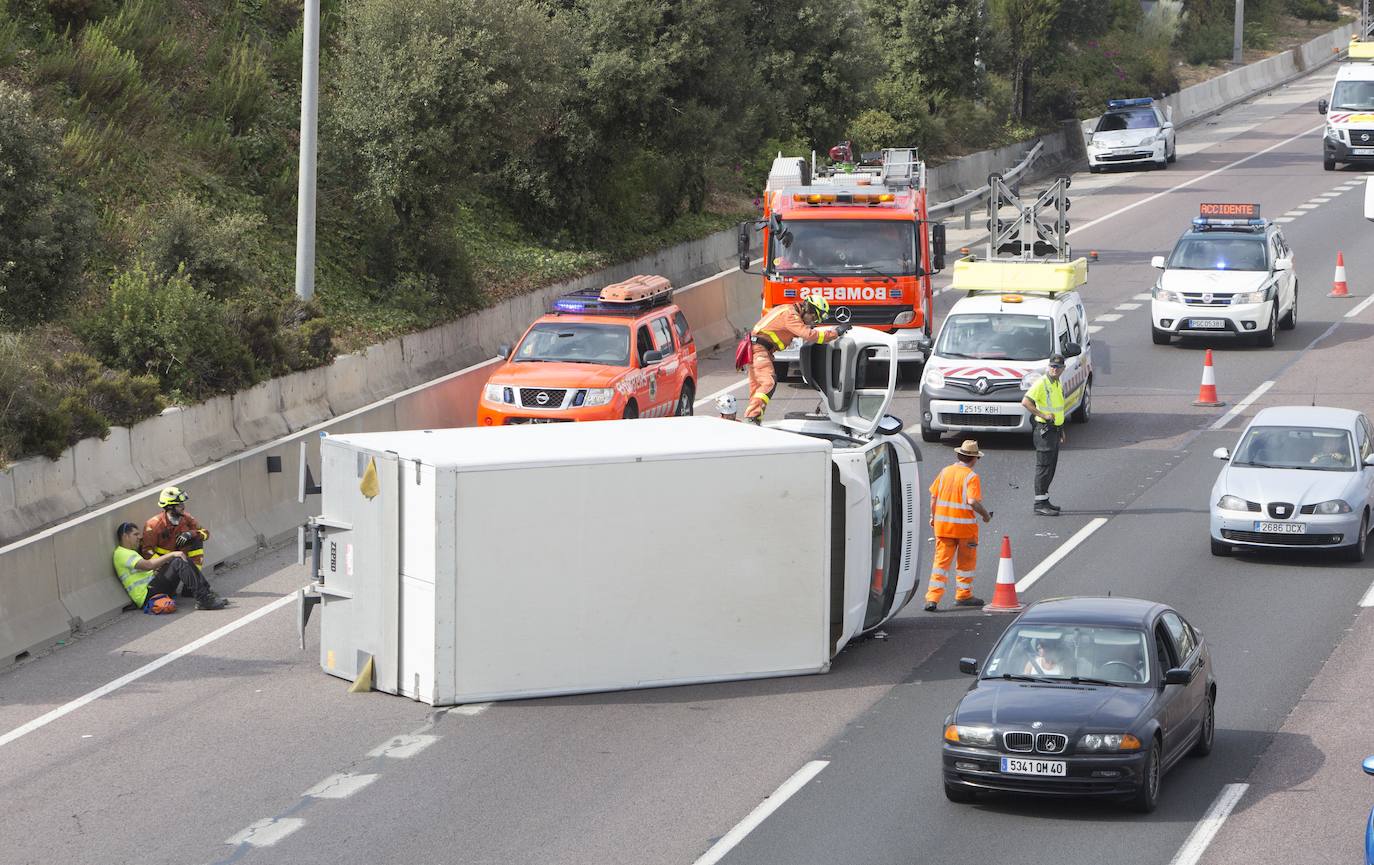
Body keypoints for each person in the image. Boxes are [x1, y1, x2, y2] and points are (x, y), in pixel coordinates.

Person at [744, 295, 848, 424]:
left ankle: (753, 419)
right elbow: (809, 335)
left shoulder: (789, 311)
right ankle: (752, 418)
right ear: (808, 309)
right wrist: (835, 333)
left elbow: (803, 330)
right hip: (759, 350)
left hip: (758, 349)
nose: (812, 322)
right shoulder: (791, 315)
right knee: (768, 383)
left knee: (758, 387)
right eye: (814, 318)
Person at [924, 440, 993, 612]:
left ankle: (932, 598)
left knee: (941, 563)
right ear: (974, 458)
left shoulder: (945, 471)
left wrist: (933, 516)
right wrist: (985, 515)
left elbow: (933, 497)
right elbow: (972, 501)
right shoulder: (971, 476)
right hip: (965, 530)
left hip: (943, 527)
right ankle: (963, 595)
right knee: (966, 564)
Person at [113, 521, 227, 612]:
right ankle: (204, 599)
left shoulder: (130, 552)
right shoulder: (121, 553)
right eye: (135, 534)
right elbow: (148, 565)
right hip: (147, 595)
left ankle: (206, 594)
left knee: (181, 558)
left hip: (153, 587)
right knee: (177, 560)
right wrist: (171, 554)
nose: (139, 537)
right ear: (125, 536)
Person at [142, 486, 226, 606]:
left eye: (183, 504)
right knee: (177, 560)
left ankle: (200, 590)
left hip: (177, 566)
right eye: (179, 504)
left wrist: (190, 533)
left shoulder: (186, 518)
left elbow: (205, 534)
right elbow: (147, 552)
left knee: (196, 540)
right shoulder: (153, 525)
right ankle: (204, 599)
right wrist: (167, 562)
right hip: (161, 573)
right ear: (170, 507)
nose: (183, 507)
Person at [1022, 354, 1068, 516]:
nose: (1054, 369)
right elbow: (1026, 402)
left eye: (1057, 367)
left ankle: (1045, 499)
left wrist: (1061, 429)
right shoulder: (1042, 383)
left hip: (1054, 430)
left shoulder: (1056, 383)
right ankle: (1039, 503)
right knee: (1043, 467)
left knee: (1051, 466)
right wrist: (1042, 414)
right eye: (1052, 366)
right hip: (1044, 430)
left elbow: (1058, 408)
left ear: (1063, 369)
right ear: (1048, 367)